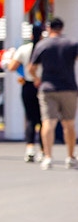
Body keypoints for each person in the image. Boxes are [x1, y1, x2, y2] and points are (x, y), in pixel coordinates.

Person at [29, 18, 78, 170]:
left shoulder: (42, 44)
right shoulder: (71, 43)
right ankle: (70, 156)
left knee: (48, 122)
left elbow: (31, 67)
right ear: (62, 28)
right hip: (69, 87)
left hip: (48, 87)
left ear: (49, 28)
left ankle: (48, 157)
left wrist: (37, 79)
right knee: (68, 123)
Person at [0, 24, 44, 162]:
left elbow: (12, 66)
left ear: (30, 35)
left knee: (30, 118)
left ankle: (30, 148)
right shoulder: (45, 48)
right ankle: (44, 150)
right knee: (44, 120)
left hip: (28, 85)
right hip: (44, 86)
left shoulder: (24, 49)